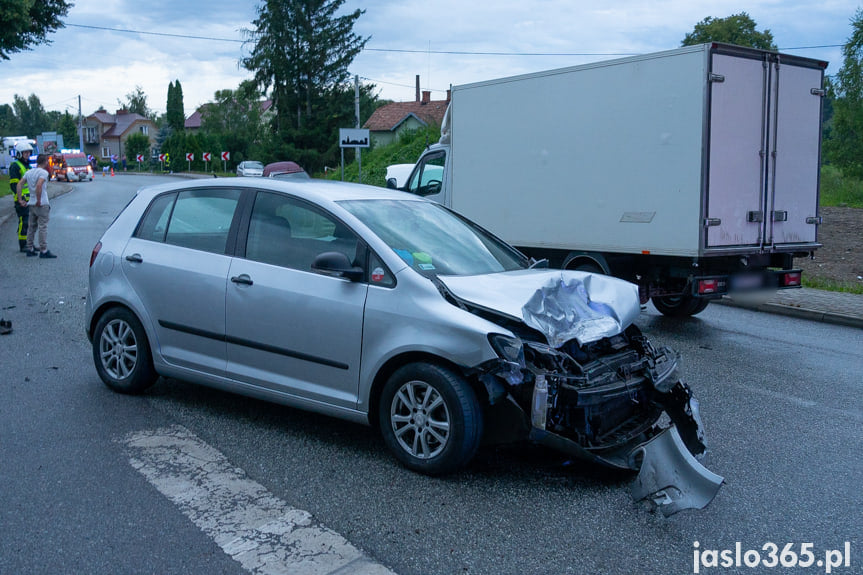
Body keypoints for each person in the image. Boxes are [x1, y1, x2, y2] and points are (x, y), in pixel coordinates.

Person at [20, 154, 57, 259]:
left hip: (31, 204)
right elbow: (39, 185)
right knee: (42, 227)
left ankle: (30, 248)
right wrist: (39, 200)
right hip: (41, 204)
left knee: (31, 227)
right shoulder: (43, 173)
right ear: (45, 162)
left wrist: (20, 199)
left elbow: (19, 184)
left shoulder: (29, 172)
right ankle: (43, 250)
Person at [8, 141, 32, 252]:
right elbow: (14, 184)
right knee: (24, 221)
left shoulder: (29, 166)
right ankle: (23, 245)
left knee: (31, 223)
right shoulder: (15, 166)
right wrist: (20, 199)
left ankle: (30, 244)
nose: (27, 154)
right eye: (24, 153)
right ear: (19, 154)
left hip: (30, 199)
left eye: (28, 152)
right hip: (21, 200)